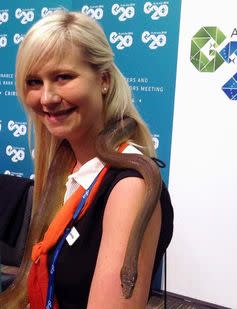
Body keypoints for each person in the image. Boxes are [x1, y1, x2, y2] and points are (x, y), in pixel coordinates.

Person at [2, 10, 173, 308]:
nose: (46, 97)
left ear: (103, 79)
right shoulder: (67, 160)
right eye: (34, 82)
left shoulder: (129, 188)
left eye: (63, 77)